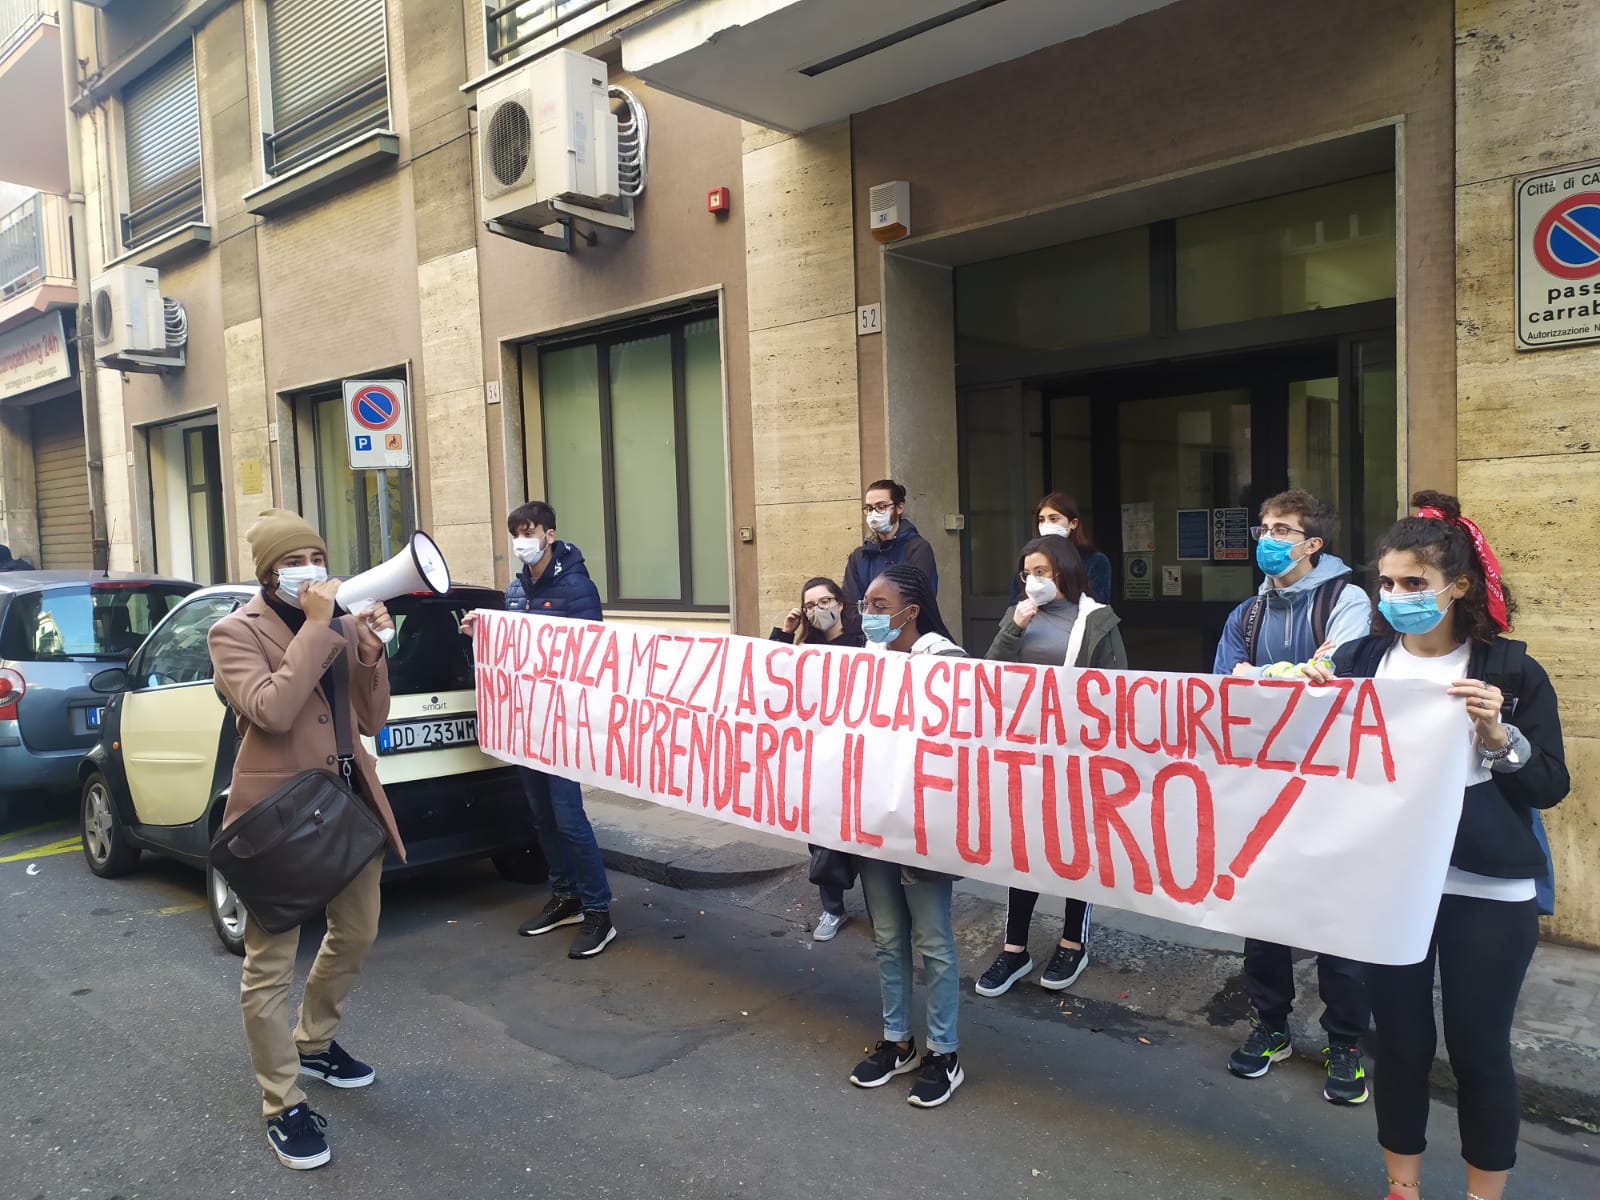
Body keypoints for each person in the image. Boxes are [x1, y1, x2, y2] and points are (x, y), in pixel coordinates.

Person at [1302, 492, 1567, 1200]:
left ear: (1458, 587)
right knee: (1402, 1044)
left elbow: (1550, 785)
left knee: (1478, 1050)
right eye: (1386, 583)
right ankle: (1403, 1187)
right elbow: (1313, 763)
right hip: (1391, 884)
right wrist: (1303, 700)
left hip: (1489, 889)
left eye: (1414, 583)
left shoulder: (1510, 671)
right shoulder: (1357, 661)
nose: (1397, 597)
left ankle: (1483, 1194)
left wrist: (1500, 739)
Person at [207, 509, 399, 1172]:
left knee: (359, 932)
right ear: (269, 572)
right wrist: (319, 627)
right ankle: (281, 1101)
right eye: (294, 561)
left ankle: (314, 1041)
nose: (311, 569)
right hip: (280, 818)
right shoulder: (234, 632)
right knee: (269, 965)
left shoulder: (341, 624)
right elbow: (271, 709)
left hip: (348, 806)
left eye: (316, 556)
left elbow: (372, 718)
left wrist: (370, 650)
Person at [1213, 489, 1374, 1105]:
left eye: (1282, 529)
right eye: (1263, 527)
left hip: (1333, 785)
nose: (1267, 538)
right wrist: (1284, 677)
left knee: (1336, 917)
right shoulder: (1247, 613)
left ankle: (1345, 1042)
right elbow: (1224, 684)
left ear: (1314, 543)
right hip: (1264, 783)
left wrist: (1260, 678)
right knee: (1261, 910)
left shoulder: (1347, 600)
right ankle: (1270, 1025)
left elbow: (1336, 676)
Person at [462, 501, 616, 958]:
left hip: (563, 724)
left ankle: (598, 911)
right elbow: (511, 651)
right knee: (542, 817)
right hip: (526, 724)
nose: (521, 542)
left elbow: (592, 655)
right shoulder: (516, 589)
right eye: (516, 534)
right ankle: (566, 896)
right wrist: (482, 635)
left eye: (528, 533)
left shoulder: (577, 587)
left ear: (549, 535)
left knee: (569, 819)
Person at [976, 535, 1126, 998]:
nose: (1033, 581)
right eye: (1027, 573)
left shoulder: (1096, 620)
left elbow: (1117, 689)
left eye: (1041, 572)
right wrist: (1013, 627)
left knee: (1076, 847)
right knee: (1025, 848)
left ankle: (1072, 943)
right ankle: (1014, 948)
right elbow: (991, 676)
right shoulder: (1019, 615)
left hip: (1077, 754)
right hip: (1026, 752)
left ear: (1064, 571)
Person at [846, 563, 967, 1109]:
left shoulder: (947, 663)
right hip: (873, 822)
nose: (867, 615)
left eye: (879, 607)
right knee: (888, 938)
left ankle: (945, 1052)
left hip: (922, 828)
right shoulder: (865, 661)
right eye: (865, 605)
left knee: (933, 942)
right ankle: (898, 1041)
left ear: (910, 612)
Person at [769, 577, 865, 941]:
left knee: (863, 831)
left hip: (858, 754)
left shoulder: (863, 642)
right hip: (816, 754)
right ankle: (832, 908)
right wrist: (785, 632)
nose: (818, 609)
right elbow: (769, 674)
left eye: (824, 601)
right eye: (810, 605)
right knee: (822, 837)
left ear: (840, 603)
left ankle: (884, 907)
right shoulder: (804, 648)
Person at [840, 479, 939, 610]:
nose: (874, 514)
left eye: (881, 507)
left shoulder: (917, 549)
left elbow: (921, 600)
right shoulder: (859, 556)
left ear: (899, 508)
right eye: (869, 508)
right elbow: (850, 605)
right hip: (865, 623)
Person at [1020, 492, 1111, 604]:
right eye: (1041, 520)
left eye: (1053, 519)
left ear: (1073, 523)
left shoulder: (1094, 561)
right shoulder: (1030, 559)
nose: (1046, 525)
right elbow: (1016, 602)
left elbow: (1098, 604)